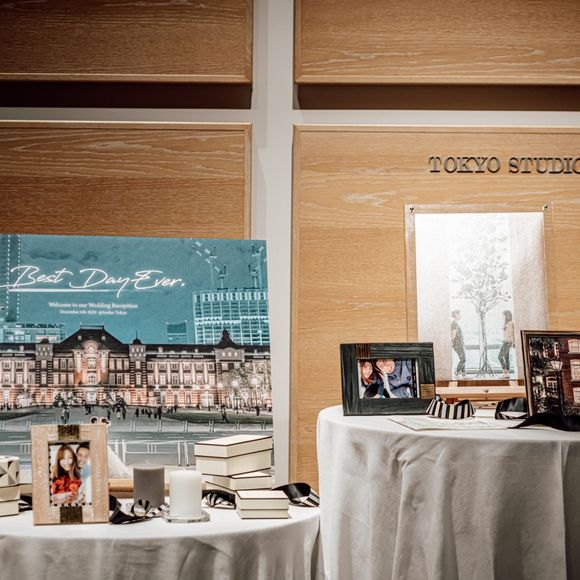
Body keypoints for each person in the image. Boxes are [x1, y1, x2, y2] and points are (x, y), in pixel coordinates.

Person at [498, 310, 515, 378]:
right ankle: (507, 373)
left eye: (503, 316)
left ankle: (505, 372)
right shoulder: (507, 323)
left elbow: (511, 334)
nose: (502, 317)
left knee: (499, 356)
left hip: (507, 342)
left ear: (507, 316)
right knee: (506, 357)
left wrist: (512, 342)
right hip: (507, 342)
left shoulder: (510, 324)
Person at [451, 309, 467, 379]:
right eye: (459, 314)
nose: (461, 316)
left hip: (459, 344)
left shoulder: (455, 323)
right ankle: (457, 373)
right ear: (456, 314)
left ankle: (463, 374)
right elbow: (453, 335)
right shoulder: (454, 323)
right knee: (463, 359)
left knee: (463, 358)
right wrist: (452, 343)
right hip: (458, 344)